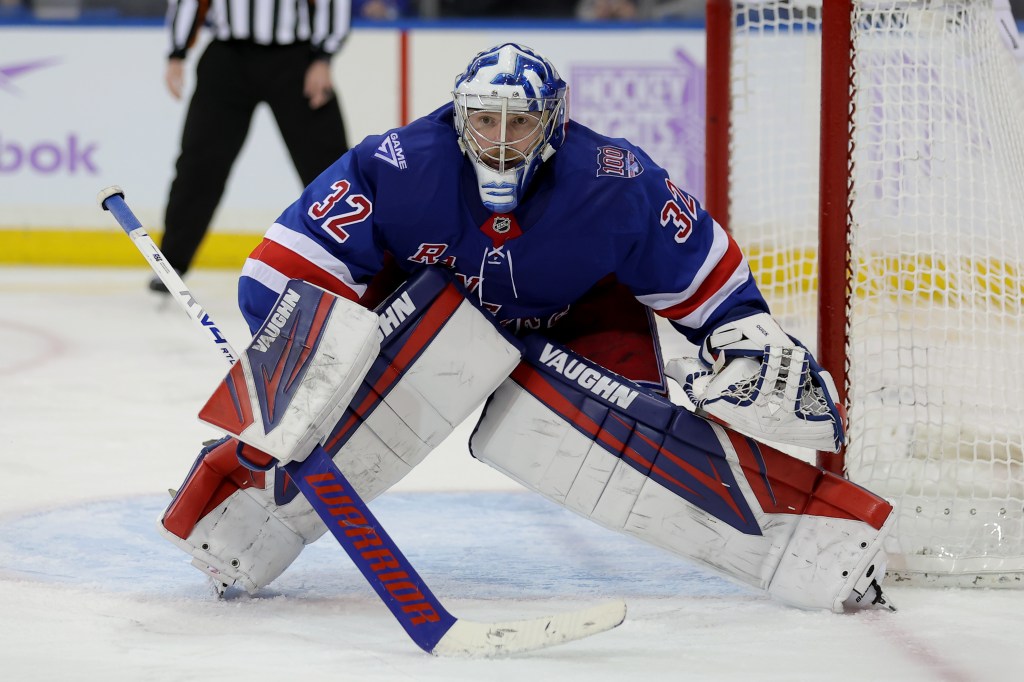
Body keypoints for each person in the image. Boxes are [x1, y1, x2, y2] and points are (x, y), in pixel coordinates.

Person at [158, 43, 896, 613]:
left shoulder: (616, 180)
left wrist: (741, 339)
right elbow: (277, 274)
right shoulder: (398, 165)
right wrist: (303, 354)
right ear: (458, 116)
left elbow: (713, 286)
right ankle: (243, 515)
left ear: (556, 120)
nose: (502, 138)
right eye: (484, 119)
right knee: (358, 382)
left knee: (622, 436)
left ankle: (821, 544)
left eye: (522, 121)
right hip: (431, 318)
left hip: (581, 322)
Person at [152, 0, 351, 292]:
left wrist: (323, 57)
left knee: (329, 167)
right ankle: (172, 263)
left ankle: (353, 263)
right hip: (227, 56)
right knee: (199, 164)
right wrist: (177, 52)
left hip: (295, 57)